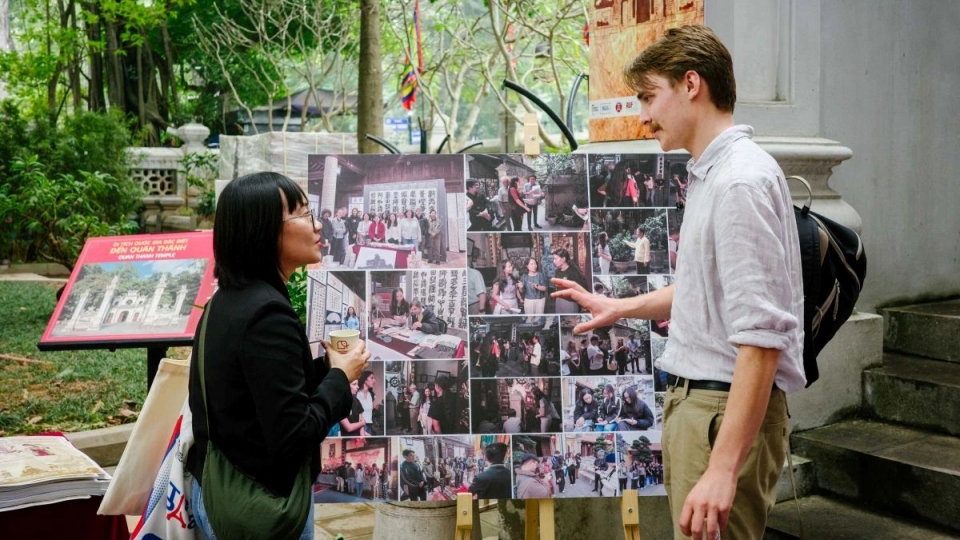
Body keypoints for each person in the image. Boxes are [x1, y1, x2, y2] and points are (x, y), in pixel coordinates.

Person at [553, 25, 803, 540]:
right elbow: (702, 293)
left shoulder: (739, 182)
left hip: (718, 415)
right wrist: (618, 308)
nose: (642, 117)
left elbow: (761, 337)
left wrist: (721, 468)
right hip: (703, 411)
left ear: (692, 84)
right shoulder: (714, 174)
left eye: (648, 96)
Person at [185, 172, 370, 540]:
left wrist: (326, 367)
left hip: (220, 487)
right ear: (266, 230)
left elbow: (261, 390)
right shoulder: (268, 315)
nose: (318, 225)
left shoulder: (227, 301)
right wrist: (339, 378)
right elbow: (292, 436)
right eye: (302, 214)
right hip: (261, 507)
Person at [551, 249, 586, 313]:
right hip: (559, 301)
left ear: (563, 259)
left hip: (570, 302)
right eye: (554, 259)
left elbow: (580, 289)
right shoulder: (557, 272)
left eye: (556, 259)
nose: (554, 261)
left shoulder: (573, 272)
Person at [519, 257, 548, 322]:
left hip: (540, 300)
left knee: (539, 319)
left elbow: (545, 288)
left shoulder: (540, 275)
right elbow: (522, 291)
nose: (534, 266)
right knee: (529, 319)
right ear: (527, 266)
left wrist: (536, 286)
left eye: (535, 264)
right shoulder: (524, 276)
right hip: (528, 300)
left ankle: (538, 331)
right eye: (532, 264)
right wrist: (520, 287)